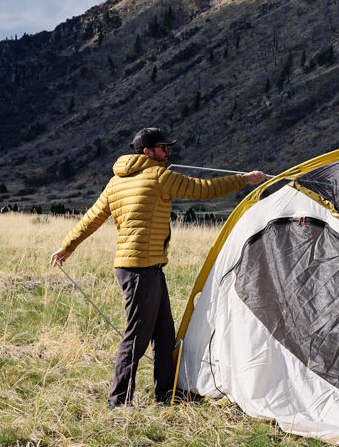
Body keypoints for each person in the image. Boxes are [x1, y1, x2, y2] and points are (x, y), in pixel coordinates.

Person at [50, 128, 270, 407]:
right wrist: (244, 180)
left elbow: (92, 217)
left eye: (168, 148)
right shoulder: (159, 176)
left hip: (144, 267)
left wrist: (68, 245)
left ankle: (166, 395)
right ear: (148, 152)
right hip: (140, 268)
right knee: (137, 337)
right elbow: (205, 190)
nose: (168, 153)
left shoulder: (116, 182)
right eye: (163, 148)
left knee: (165, 335)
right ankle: (119, 402)